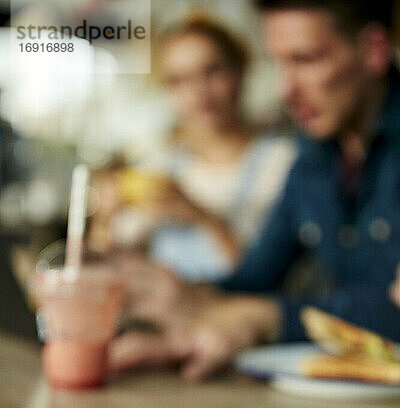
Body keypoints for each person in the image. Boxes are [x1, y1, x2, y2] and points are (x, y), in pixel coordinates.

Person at [110, 0, 400, 380]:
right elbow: (256, 277)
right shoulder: (316, 156)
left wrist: (265, 318)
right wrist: (181, 296)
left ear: (373, 51)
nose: (286, 89)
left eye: (306, 60)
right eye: (278, 63)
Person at [89, 16, 296, 282]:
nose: (198, 92)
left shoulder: (282, 163)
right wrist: (105, 218)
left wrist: (200, 216)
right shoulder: (160, 166)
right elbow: (107, 268)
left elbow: (269, 277)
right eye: (179, 80)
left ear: (240, 71)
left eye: (211, 71)